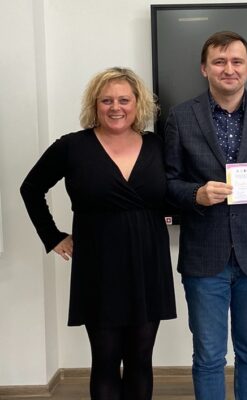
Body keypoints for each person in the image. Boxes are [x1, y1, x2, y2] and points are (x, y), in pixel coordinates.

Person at [20, 67, 176, 400]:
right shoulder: (72, 147)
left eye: (124, 100)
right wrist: (52, 236)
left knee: (140, 360)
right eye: (106, 100)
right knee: (105, 360)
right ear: (95, 105)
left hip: (148, 263)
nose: (115, 107)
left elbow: (176, 193)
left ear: (138, 103)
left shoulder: (157, 145)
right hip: (98, 266)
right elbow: (30, 188)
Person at [164, 31, 247, 399]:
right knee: (208, 356)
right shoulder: (181, 116)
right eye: (219, 62)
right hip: (205, 255)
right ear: (204, 68)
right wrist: (197, 194)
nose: (228, 69)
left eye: (237, 61)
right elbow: (168, 183)